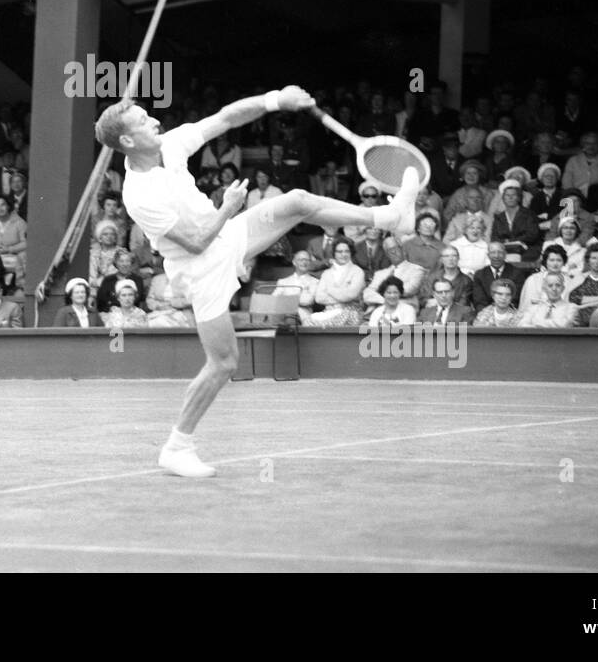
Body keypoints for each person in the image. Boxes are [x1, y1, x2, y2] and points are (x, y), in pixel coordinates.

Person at [95, 85, 421, 478]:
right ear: (128, 140)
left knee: (298, 200)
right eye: (145, 121)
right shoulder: (139, 194)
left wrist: (275, 100)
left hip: (226, 236)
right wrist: (229, 207)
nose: (156, 121)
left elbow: (225, 117)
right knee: (224, 363)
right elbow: (197, 245)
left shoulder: (171, 144)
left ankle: (390, 218)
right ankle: (177, 447)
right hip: (200, 268)